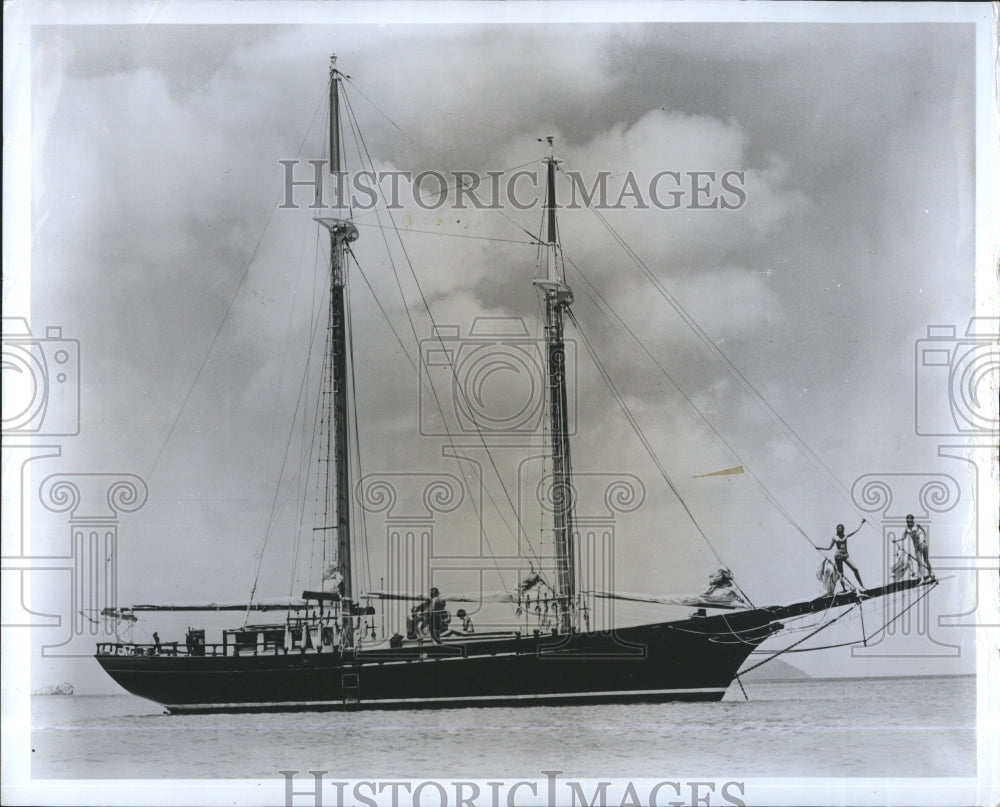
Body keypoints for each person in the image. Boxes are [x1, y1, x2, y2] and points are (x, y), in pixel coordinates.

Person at [817, 520, 866, 592]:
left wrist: (861, 524)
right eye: (838, 528)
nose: (839, 529)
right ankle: (844, 589)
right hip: (838, 556)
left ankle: (862, 585)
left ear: (843, 529)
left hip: (845, 555)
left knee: (855, 569)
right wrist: (819, 547)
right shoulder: (834, 537)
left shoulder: (845, 535)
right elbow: (829, 547)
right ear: (837, 529)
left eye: (841, 528)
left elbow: (854, 531)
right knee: (841, 574)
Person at [897, 513, 934, 580]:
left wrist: (924, 538)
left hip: (921, 545)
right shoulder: (907, 529)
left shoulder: (916, 526)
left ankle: (926, 576)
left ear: (912, 520)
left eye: (910, 521)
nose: (909, 522)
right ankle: (929, 575)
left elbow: (923, 531)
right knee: (924, 561)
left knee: (922, 562)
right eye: (908, 521)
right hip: (918, 546)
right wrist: (896, 541)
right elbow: (903, 538)